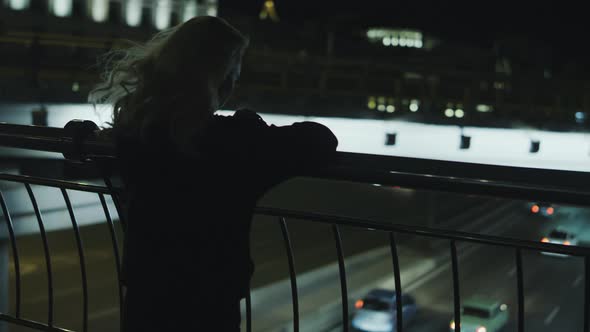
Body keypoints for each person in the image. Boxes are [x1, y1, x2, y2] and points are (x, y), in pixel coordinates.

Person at [88, 16, 338, 331]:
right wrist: (250, 123)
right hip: (209, 303)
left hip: (146, 297)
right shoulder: (233, 141)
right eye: (235, 69)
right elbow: (320, 139)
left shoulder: (136, 130)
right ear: (221, 75)